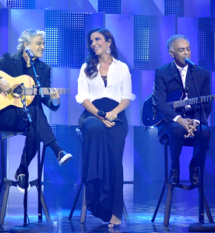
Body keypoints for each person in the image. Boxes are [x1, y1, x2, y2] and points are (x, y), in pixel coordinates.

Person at [0, 29, 72, 192]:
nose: (43, 47)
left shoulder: (44, 69)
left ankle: (22, 169)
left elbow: (45, 98)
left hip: (29, 118)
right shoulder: (8, 61)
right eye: (39, 43)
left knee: (34, 118)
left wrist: (55, 100)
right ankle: (57, 150)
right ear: (26, 45)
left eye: (44, 44)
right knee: (35, 116)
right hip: (5, 114)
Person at [75, 28, 135, 228]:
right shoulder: (86, 67)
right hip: (92, 114)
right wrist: (100, 115)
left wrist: (114, 113)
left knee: (115, 158)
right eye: (91, 40)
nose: (93, 43)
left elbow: (126, 97)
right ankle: (94, 191)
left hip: (116, 114)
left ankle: (115, 211)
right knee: (95, 129)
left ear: (109, 41)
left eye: (97, 39)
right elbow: (83, 98)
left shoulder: (122, 68)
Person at [153, 34, 212, 186]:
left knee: (204, 132)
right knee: (177, 130)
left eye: (188, 49)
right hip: (172, 120)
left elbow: (206, 105)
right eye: (181, 50)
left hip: (195, 117)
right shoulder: (162, 72)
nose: (186, 53)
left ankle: (194, 166)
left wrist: (196, 121)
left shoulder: (202, 73)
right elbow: (159, 102)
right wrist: (179, 119)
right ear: (172, 53)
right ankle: (175, 169)